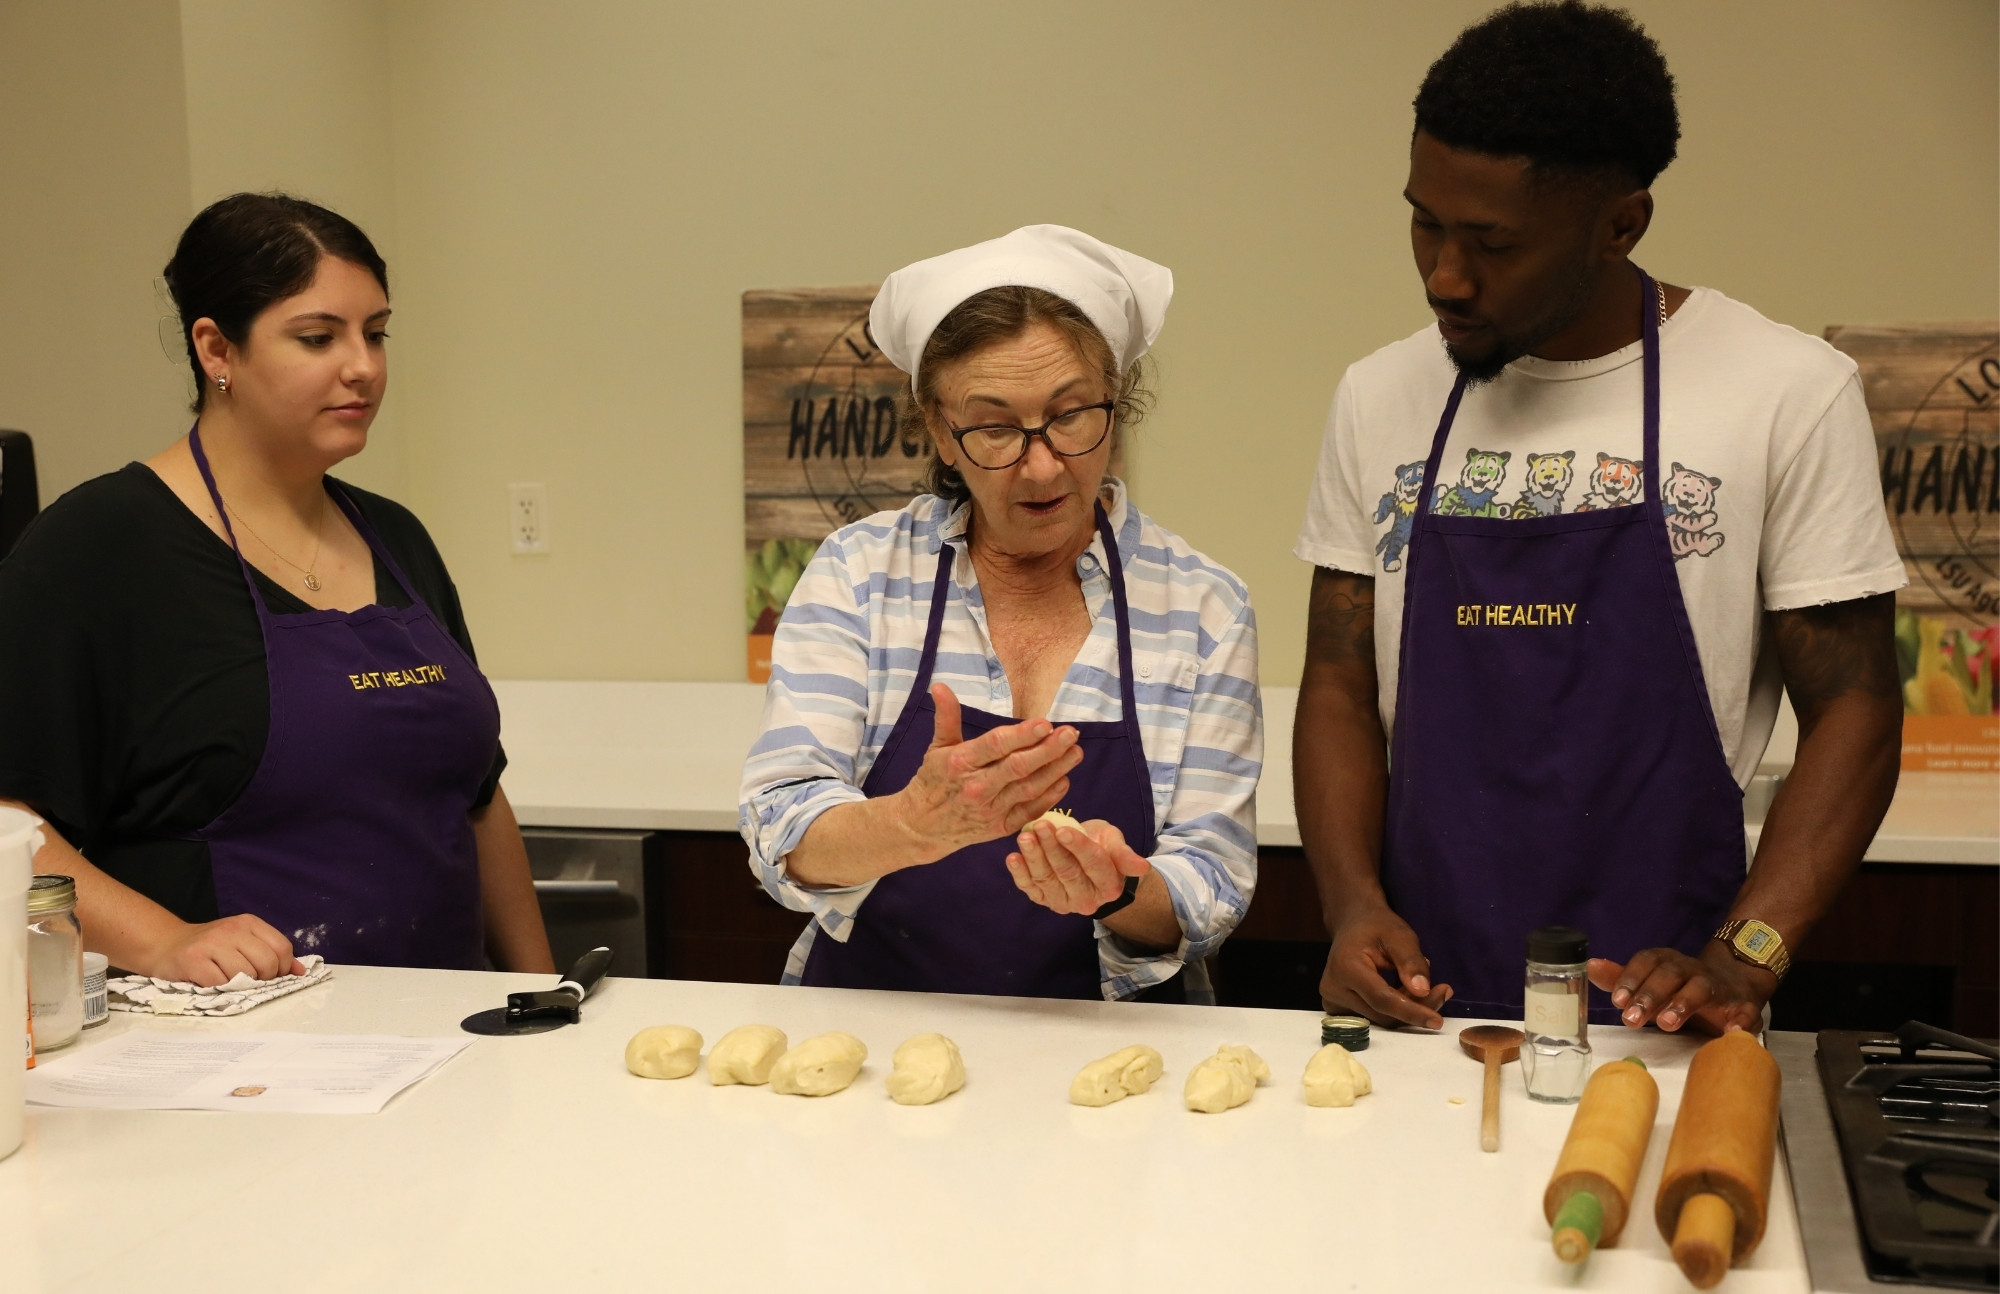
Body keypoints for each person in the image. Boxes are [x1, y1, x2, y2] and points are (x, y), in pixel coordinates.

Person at [1292, 3, 1903, 1035]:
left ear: (1620, 223)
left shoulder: (1781, 391)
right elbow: (1340, 683)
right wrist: (1352, 907)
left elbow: (1853, 709)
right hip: (1420, 1017)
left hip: (1665, 1022)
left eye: (1489, 241)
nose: (1443, 274)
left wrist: (1743, 956)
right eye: (1422, 221)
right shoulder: (1377, 394)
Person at [0, 193, 554, 985]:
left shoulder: (394, 538)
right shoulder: (98, 548)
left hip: (449, 1038)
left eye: (376, 332)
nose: (362, 365)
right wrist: (162, 940)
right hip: (231, 1062)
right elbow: (8, 821)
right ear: (217, 348)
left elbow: (478, 801)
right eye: (318, 337)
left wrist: (542, 993)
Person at [739, 225, 1260, 1002]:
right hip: (874, 1036)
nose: (1042, 463)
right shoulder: (860, 572)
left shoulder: (1203, 607)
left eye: (1072, 414)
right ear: (939, 434)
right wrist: (914, 823)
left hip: (1117, 1058)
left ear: (1117, 410)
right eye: (993, 428)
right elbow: (782, 826)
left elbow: (1211, 884)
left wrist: (1118, 888)